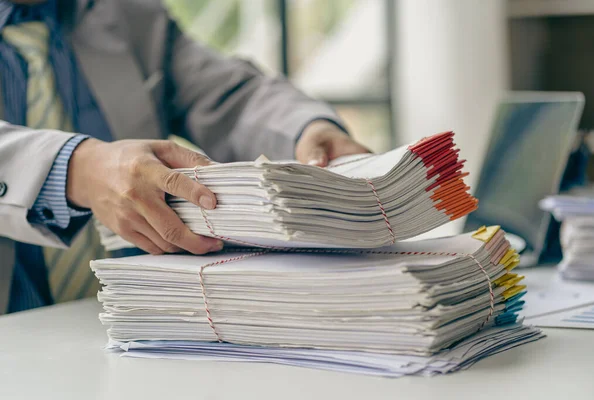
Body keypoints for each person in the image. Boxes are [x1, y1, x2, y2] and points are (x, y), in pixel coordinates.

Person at [0, 0, 369, 314]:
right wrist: (75, 168)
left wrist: (307, 129)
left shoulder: (128, 13)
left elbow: (230, 97)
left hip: (145, 323)